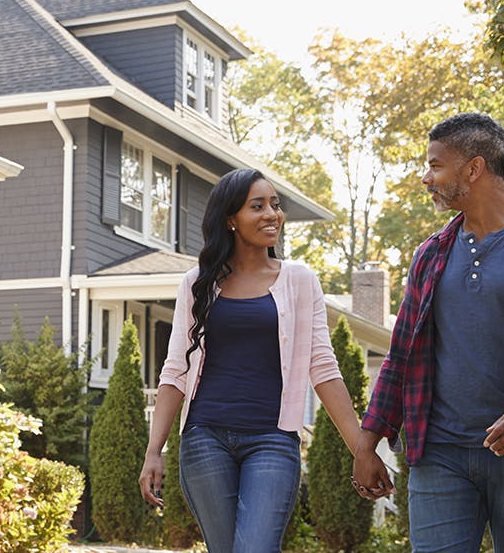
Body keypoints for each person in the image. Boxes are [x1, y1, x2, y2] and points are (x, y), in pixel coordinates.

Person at [354, 112, 504, 552]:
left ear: (473, 168)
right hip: (439, 451)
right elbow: (400, 356)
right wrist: (367, 443)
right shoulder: (430, 255)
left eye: (434, 165)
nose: (425, 177)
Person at [139, 168, 391, 552]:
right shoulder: (198, 283)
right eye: (257, 206)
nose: (272, 214)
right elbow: (176, 370)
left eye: (275, 205)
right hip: (205, 439)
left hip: (272, 440)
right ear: (230, 220)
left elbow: (323, 368)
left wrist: (362, 447)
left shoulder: (300, 280)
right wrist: (154, 451)